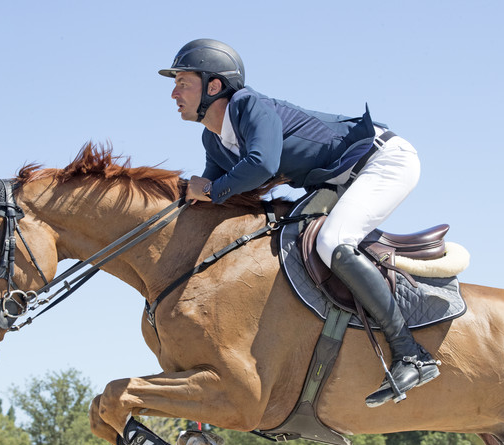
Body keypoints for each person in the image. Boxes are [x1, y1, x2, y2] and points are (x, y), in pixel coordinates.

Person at [160, 39, 440, 407]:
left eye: (183, 82)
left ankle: (411, 353)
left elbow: (260, 165)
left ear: (214, 86)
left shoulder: (247, 105)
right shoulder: (213, 140)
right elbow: (218, 199)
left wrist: (210, 189)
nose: (173, 93)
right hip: (338, 181)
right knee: (287, 241)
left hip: (382, 161)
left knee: (331, 242)